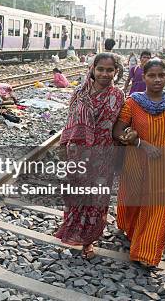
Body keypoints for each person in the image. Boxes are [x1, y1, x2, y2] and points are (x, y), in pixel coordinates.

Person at [113, 58, 165, 267]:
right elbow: (118, 131)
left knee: (157, 207)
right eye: (152, 75)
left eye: (161, 75)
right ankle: (131, 230)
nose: (157, 80)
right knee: (133, 201)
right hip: (136, 161)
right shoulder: (133, 102)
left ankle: (145, 252)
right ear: (144, 77)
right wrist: (140, 143)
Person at [54, 52, 125, 260]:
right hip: (77, 153)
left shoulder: (118, 96)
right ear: (92, 69)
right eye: (100, 69)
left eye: (109, 70)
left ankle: (88, 241)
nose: (104, 73)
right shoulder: (79, 92)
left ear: (116, 72)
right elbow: (70, 121)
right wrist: (63, 147)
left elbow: (119, 127)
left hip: (104, 156)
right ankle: (71, 228)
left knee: (96, 199)